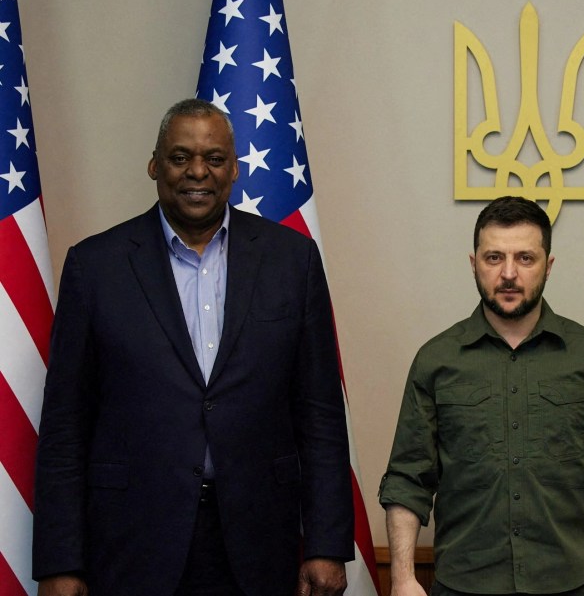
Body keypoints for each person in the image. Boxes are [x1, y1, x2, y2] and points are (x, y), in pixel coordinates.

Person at [32, 99, 354, 596]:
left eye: (214, 158)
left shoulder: (292, 260)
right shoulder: (96, 267)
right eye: (180, 157)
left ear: (235, 168)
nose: (197, 171)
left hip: (259, 541)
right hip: (134, 542)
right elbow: (64, 425)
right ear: (154, 164)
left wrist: (327, 544)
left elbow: (320, 414)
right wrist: (60, 561)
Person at [379, 196, 584, 596]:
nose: (508, 273)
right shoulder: (436, 360)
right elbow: (407, 480)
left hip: (568, 584)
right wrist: (402, 578)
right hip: (463, 584)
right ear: (474, 264)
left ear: (548, 265)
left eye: (525, 258)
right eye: (493, 258)